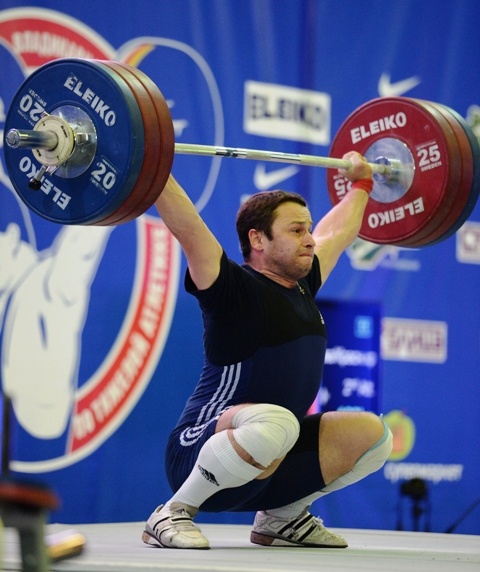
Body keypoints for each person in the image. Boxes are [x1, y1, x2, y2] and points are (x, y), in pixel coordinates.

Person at [142, 151, 393, 550]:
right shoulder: (231, 289)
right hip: (198, 450)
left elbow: (337, 233)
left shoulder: (303, 286)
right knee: (279, 423)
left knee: (374, 435)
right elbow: (188, 226)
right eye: (296, 230)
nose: (309, 238)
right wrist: (150, 163)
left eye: (308, 229)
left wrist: (362, 184)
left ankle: (282, 517)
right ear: (257, 238)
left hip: (269, 461)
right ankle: (173, 511)